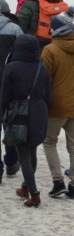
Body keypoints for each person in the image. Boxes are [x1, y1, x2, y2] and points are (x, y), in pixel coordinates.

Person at [41, 6, 74, 200]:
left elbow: (45, 81)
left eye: (51, 28)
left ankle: (58, 182)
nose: (50, 31)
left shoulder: (50, 50)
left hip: (55, 106)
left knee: (49, 142)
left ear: (57, 30)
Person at [1, 34, 51, 208]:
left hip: (20, 115)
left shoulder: (11, 68)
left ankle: (34, 195)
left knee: (24, 156)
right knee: (32, 151)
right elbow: (48, 96)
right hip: (40, 114)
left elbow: (4, 96)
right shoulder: (42, 68)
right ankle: (24, 188)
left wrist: (3, 115)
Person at [0, 0, 23, 182]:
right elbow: (23, 55)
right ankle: (12, 160)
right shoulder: (15, 29)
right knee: (10, 123)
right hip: (10, 84)